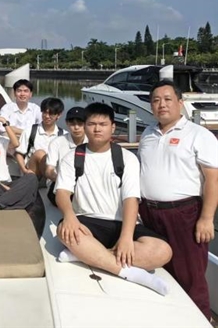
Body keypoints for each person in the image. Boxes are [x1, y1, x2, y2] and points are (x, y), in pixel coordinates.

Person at [55, 103, 173, 296]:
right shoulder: (72, 157)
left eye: (103, 124)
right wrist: (69, 216)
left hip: (120, 223)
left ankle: (85, 255)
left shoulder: (127, 158)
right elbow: (62, 192)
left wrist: (126, 237)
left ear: (113, 127)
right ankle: (131, 273)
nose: (97, 129)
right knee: (64, 231)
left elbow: (131, 199)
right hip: (87, 221)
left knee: (163, 251)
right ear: (85, 126)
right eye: (92, 124)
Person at [138, 80, 218, 320]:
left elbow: (212, 179)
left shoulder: (199, 135)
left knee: (190, 274)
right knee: (161, 271)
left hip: (184, 214)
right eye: (156, 100)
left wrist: (206, 218)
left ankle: (200, 319)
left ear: (180, 103)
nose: (161, 104)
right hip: (149, 213)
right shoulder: (147, 134)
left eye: (167, 99)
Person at [43, 106, 88, 205]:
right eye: (72, 124)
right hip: (58, 185)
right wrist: (65, 181)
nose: (76, 127)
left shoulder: (91, 143)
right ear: (67, 123)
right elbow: (49, 171)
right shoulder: (57, 142)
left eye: (80, 124)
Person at [14, 97, 66, 176]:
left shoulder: (63, 135)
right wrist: (24, 170)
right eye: (44, 112)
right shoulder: (30, 131)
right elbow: (19, 153)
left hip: (52, 174)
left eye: (51, 113)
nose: (47, 116)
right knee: (40, 154)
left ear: (58, 115)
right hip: (32, 173)